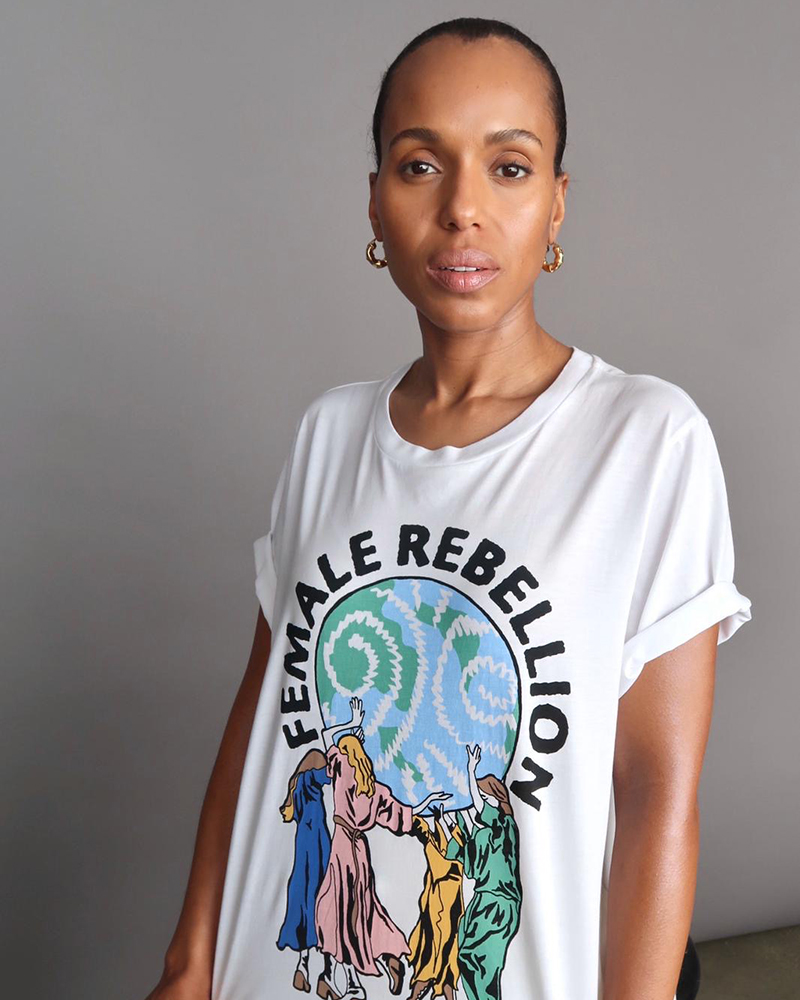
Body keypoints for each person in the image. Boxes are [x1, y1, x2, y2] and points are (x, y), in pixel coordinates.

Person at [142, 16, 753, 1000]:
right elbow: (260, 724)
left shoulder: (645, 439)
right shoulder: (328, 433)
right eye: (420, 165)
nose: (463, 208)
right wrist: (187, 963)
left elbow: (653, 800)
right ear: (375, 201)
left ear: (556, 204)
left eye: (509, 168)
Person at [275, 748, 332, 993]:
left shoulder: (296, 785)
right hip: (318, 840)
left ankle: (303, 964)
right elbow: (330, 774)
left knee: (306, 893)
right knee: (324, 895)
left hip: (303, 842)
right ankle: (328, 971)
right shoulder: (311, 779)